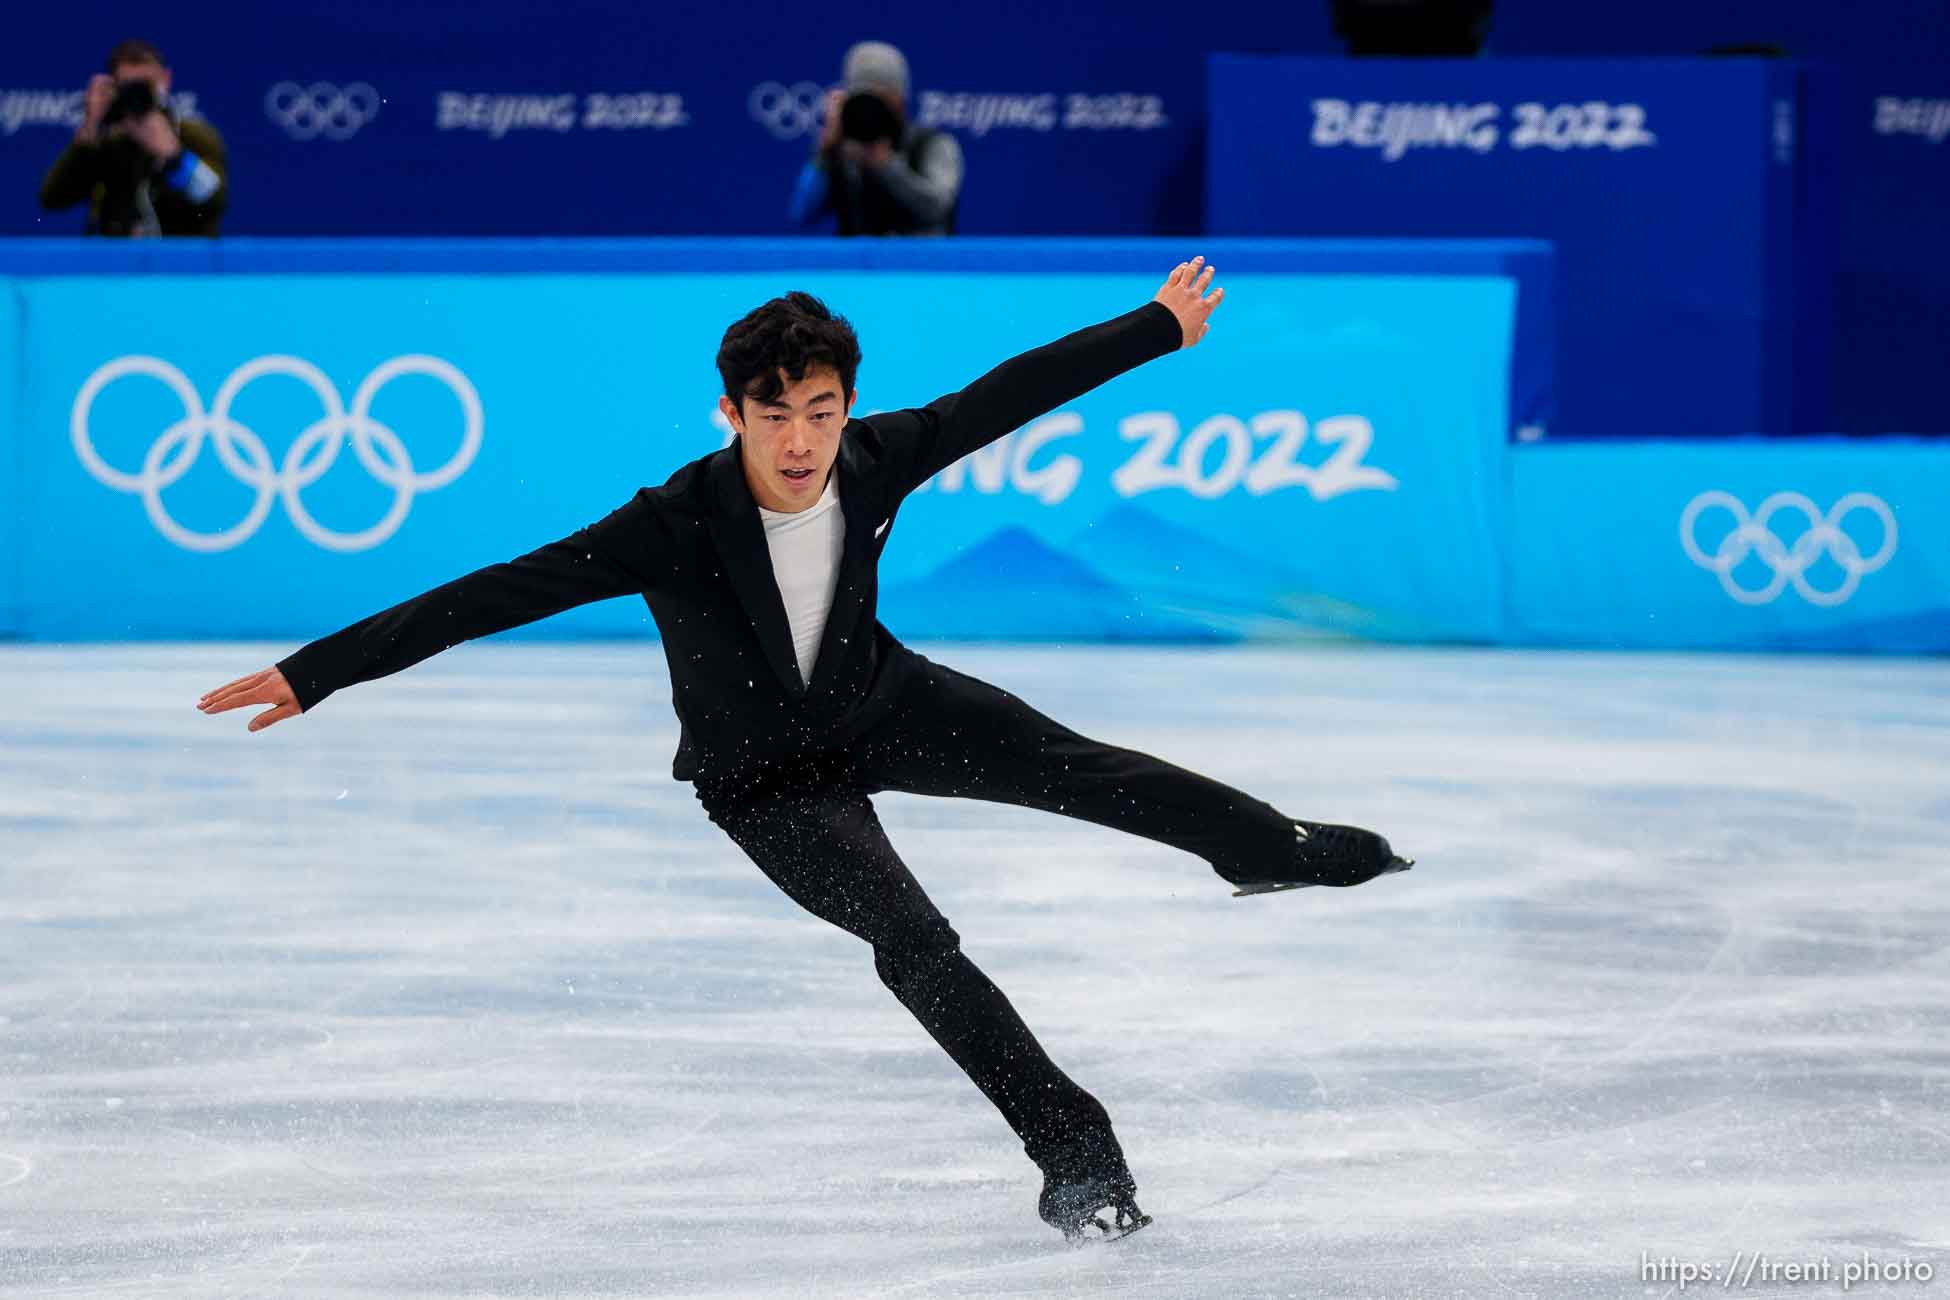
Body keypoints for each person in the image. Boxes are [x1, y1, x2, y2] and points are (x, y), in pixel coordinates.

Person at [196, 258, 1412, 1242]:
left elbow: (1005, 394)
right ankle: (1076, 1152)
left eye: (820, 411)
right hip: (764, 780)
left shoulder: (876, 456)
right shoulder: (670, 524)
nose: (800, 440)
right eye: (774, 414)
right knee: (916, 940)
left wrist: (1156, 327)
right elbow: (499, 591)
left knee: (1076, 762)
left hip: (880, 698)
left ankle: (1273, 847)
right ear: (732, 414)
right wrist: (320, 669)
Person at [39, 39, 227, 238]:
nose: (139, 93)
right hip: (118, 262)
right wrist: (89, 131)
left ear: (166, 79)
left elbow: (215, 201)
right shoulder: (106, 143)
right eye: (129, 86)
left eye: (147, 85)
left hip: (181, 262)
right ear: (114, 87)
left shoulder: (194, 137)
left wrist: (175, 158)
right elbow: (52, 199)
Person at [788, 41, 962, 236]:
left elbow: (939, 208)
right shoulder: (840, 150)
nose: (871, 108)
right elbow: (801, 213)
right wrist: (824, 151)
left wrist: (886, 165)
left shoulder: (933, 144)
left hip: (920, 264)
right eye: (863, 96)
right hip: (857, 264)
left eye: (880, 97)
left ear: (900, 99)